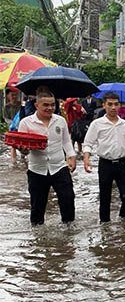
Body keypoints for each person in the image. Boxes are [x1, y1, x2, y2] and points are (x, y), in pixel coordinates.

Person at [17, 90, 76, 225]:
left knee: (68, 199)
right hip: (37, 169)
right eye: (45, 105)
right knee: (37, 205)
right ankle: (38, 237)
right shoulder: (26, 123)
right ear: (36, 105)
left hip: (59, 167)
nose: (50, 108)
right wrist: (24, 150)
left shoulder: (60, 120)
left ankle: (69, 233)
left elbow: (66, 141)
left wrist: (71, 156)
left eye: (52, 105)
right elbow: (23, 149)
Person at [82, 92, 125, 223]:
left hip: (122, 164)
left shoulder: (124, 124)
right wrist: (86, 159)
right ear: (104, 105)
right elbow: (88, 143)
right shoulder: (97, 124)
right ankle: (105, 227)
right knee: (105, 197)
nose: (113, 107)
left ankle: (124, 225)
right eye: (110, 104)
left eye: (116, 104)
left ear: (120, 106)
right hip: (105, 164)